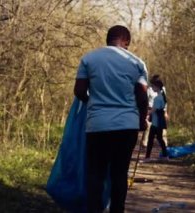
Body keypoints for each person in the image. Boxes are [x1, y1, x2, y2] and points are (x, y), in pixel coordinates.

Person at [74, 25, 148, 213]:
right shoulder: (137, 63)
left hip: (98, 126)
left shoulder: (89, 58)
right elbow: (141, 97)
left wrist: (94, 103)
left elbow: (80, 91)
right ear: (127, 42)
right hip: (126, 126)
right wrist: (141, 121)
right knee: (119, 173)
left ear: (108, 39)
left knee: (96, 173)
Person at [145, 78, 169, 160]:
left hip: (156, 122)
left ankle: (147, 157)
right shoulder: (162, 97)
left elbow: (154, 110)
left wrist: (146, 114)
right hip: (159, 122)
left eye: (153, 86)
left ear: (157, 87)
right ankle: (165, 156)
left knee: (151, 139)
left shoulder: (157, 98)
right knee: (159, 138)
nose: (151, 88)